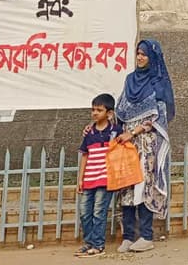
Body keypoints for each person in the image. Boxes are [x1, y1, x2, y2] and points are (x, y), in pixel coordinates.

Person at [114, 40, 175, 254]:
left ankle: (146, 236)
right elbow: (120, 110)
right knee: (126, 190)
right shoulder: (130, 80)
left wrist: (134, 132)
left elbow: (158, 117)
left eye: (144, 54)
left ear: (153, 58)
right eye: (138, 53)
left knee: (143, 189)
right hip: (126, 144)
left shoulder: (158, 83)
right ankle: (128, 237)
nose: (140, 57)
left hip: (146, 143)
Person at [75, 94, 119, 257]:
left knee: (98, 212)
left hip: (105, 179)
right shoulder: (89, 132)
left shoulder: (115, 131)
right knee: (85, 212)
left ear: (109, 113)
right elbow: (85, 155)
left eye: (99, 110)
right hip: (89, 179)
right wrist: (80, 179)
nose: (94, 113)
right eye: (93, 109)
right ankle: (89, 242)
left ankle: (99, 245)